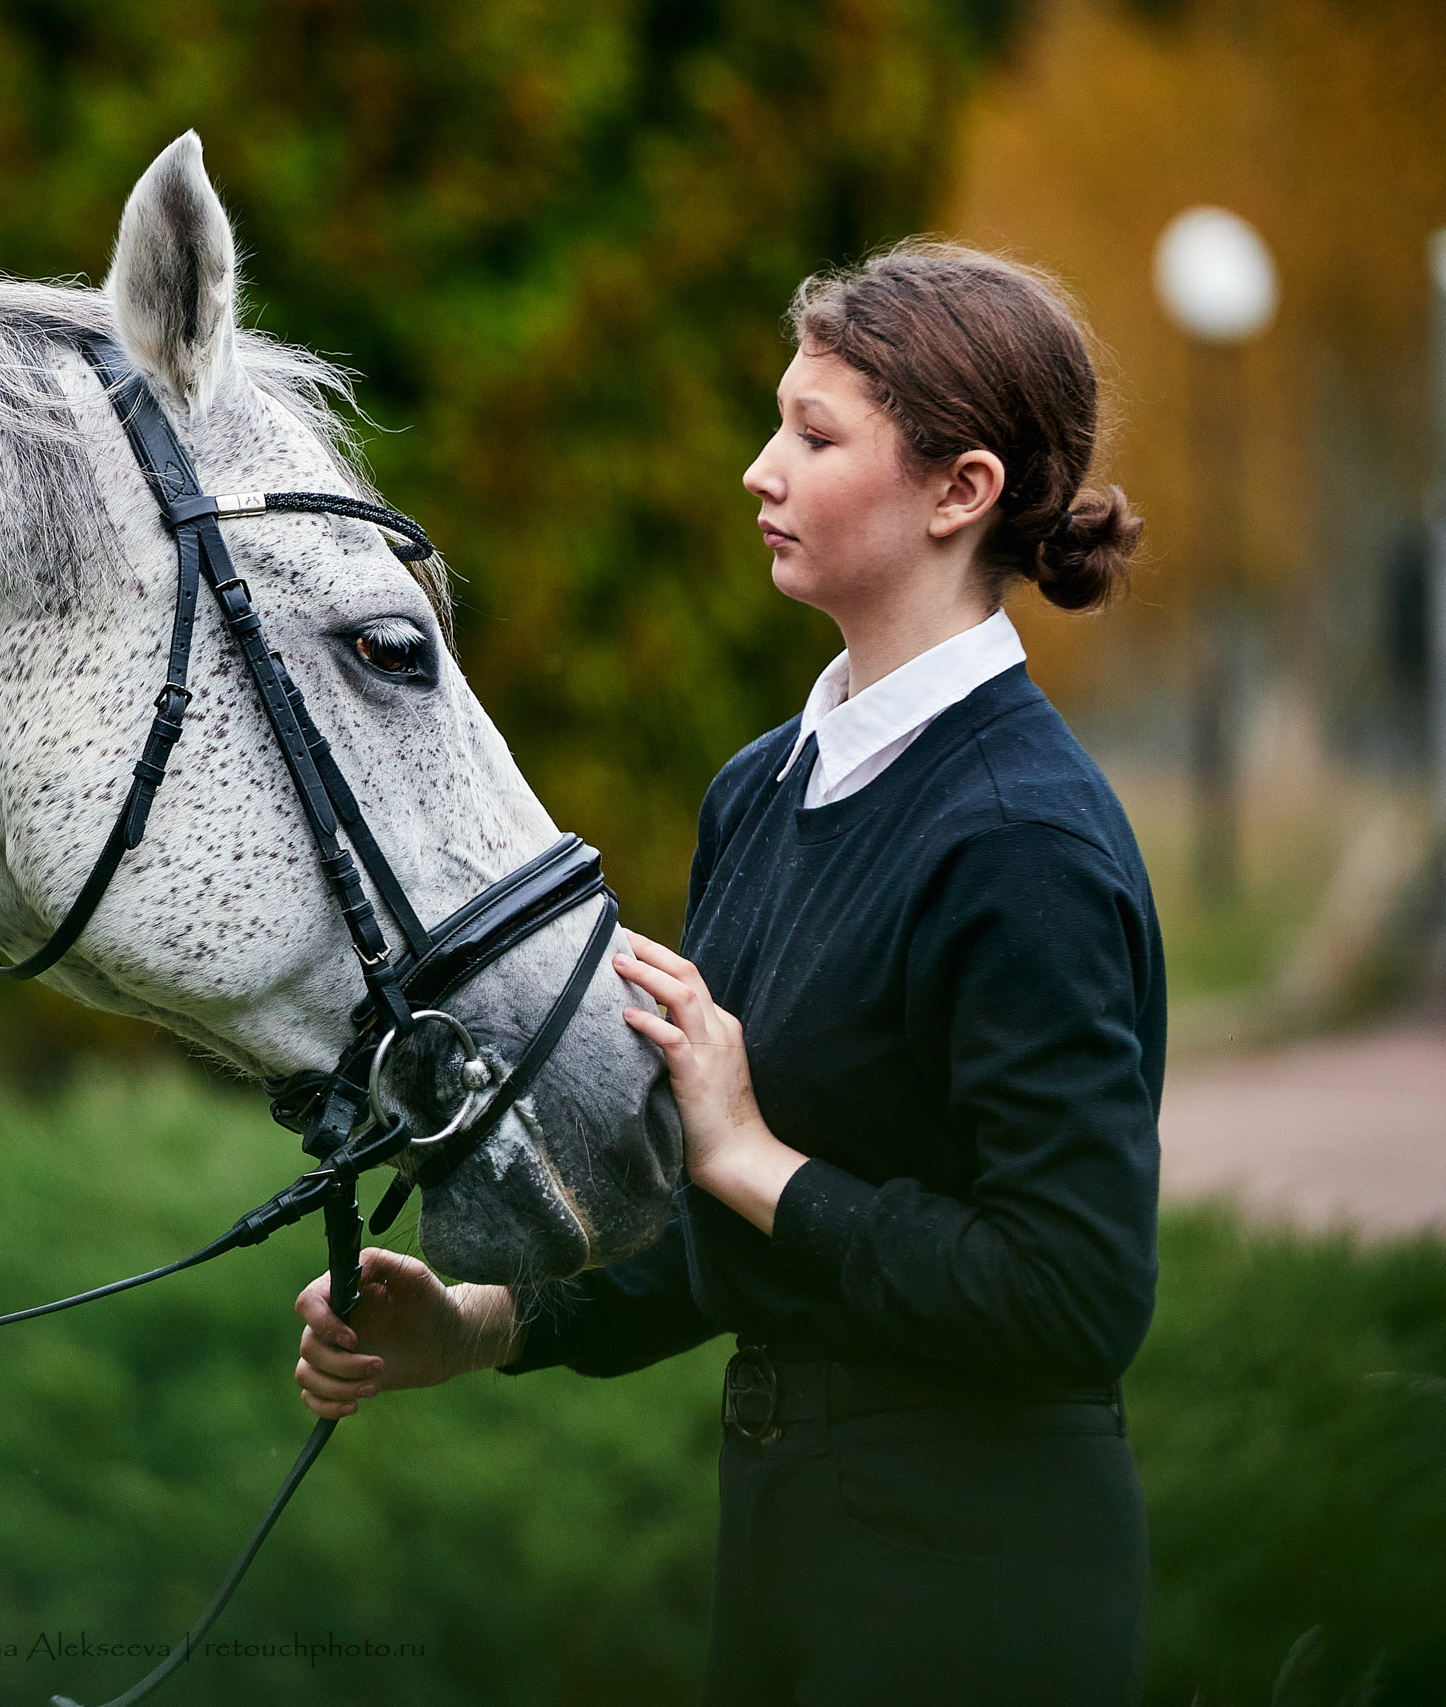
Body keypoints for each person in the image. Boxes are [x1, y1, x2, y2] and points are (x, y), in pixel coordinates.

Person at [294, 241, 1164, 1706]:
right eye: (779, 420)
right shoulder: (763, 789)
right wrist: (482, 1326)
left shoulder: (1023, 843)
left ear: (963, 494)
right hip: (784, 1551)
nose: (760, 469)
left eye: (816, 437)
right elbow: (729, 1241)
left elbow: (1076, 1296)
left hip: (980, 1582)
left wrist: (757, 1157)